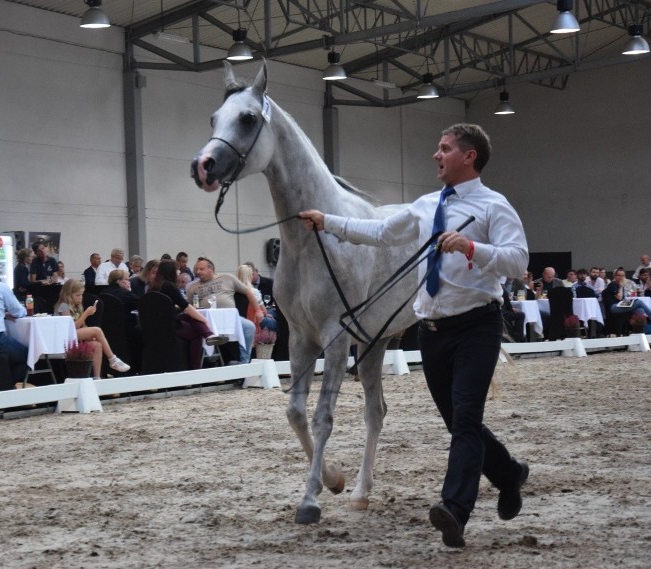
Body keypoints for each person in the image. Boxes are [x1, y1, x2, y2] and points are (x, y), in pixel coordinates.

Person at [298, 123, 530, 548]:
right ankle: (510, 473)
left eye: (444, 149)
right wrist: (326, 221)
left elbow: (518, 260)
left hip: (477, 325)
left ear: (469, 156)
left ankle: (454, 510)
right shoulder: (426, 206)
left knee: (464, 420)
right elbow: (381, 233)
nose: (435, 155)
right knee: (459, 423)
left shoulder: (495, 206)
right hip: (433, 331)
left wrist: (471, 248)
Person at [185, 256, 262, 364]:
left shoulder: (227, 278)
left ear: (211, 269)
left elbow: (247, 292)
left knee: (249, 327)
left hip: (230, 318)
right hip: (207, 321)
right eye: (196, 269)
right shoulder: (192, 287)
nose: (198, 272)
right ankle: (211, 361)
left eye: (201, 269)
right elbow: (186, 306)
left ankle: (244, 362)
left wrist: (258, 311)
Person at [150, 259, 224, 370]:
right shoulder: (170, 286)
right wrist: (205, 320)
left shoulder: (153, 287)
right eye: (177, 270)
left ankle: (209, 335)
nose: (179, 272)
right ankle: (195, 368)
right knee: (196, 333)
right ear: (171, 271)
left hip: (155, 325)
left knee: (191, 317)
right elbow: (186, 307)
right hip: (170, 326)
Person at [53, 280, 130, 376]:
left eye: (81, 295)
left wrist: (89, 335)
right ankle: (112, 359)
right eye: (77, 295)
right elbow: (71, 328)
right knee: (97, 330)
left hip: (74, 336)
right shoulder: (63, 306)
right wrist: (86, 314)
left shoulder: (77, 306)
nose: (80, 298)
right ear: (68, 294)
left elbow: (83, 326)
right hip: (65, 337)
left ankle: (97, 377)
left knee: (97, 345)